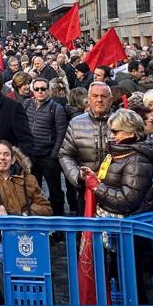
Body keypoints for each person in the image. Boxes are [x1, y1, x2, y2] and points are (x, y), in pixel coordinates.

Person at [0, 140, 51, 294]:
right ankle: (10, 295)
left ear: (13, 159)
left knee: (35, 261)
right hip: (0, 234)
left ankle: (31, 296)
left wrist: (26, 214)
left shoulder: (27, 178)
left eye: (6, 155)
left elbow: (46, 207)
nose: (2, 158)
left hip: (26, 234)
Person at [89, 109, 153, 217]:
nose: (111, 135)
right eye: (111, 131)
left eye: (115, 131)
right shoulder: (120, 153)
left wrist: (97, 187)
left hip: (124, 225)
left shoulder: (137, 160)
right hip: (113, 219)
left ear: (130, 132)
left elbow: (128, 200)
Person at [58, 82, 114, 215]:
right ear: (88, 100)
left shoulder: (122, 120)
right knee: (86, 231)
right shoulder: (76, 123)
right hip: (86, 189)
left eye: (103, 96)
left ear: (110, 100)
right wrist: (77, 175)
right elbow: (65, 154)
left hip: (116, 189)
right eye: (95, 96)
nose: (99, 100)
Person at [24, 77, 70, 215]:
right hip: (31, 155)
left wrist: (54, 154)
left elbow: (61, 133)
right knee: (33, 189)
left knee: (55, 190)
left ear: (48, 90)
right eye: (37, 89)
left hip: (48, 156)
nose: (40, 92)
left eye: (43, 89)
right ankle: (36, 217)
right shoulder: (27, 104)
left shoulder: (56, 108)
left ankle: (58, 220)